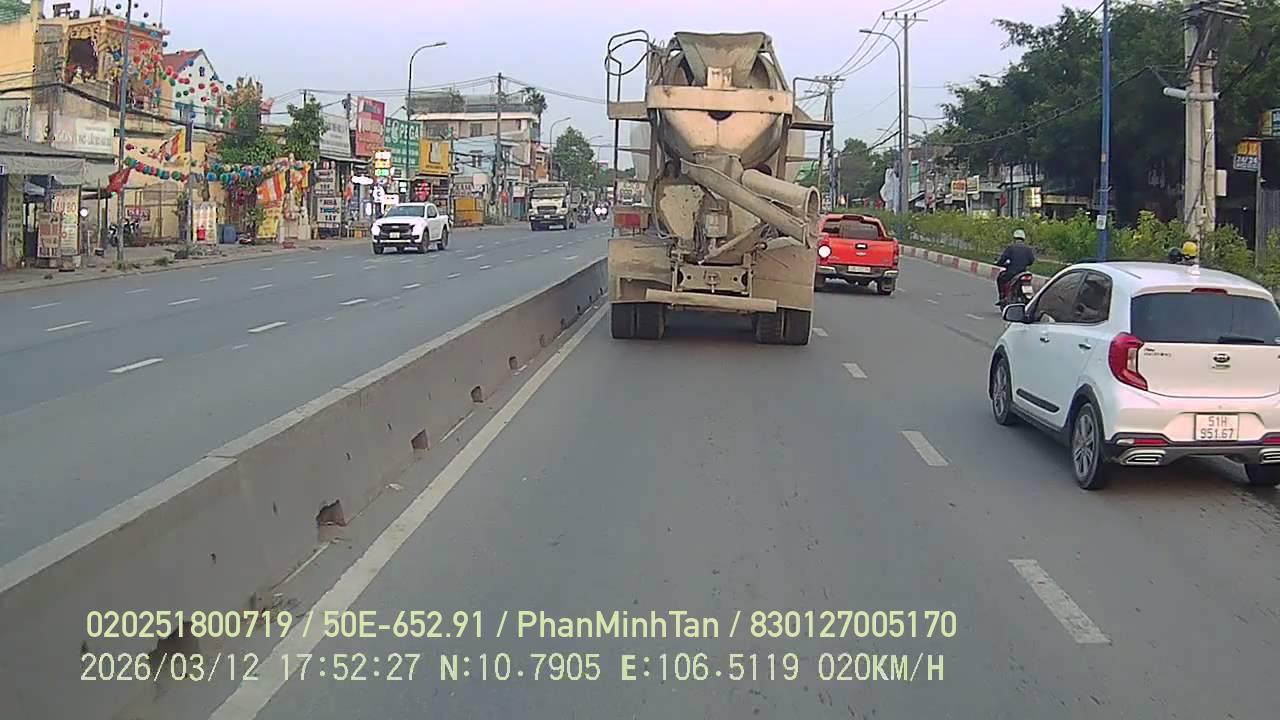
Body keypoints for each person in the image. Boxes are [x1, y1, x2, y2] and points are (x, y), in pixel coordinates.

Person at [995, 229, 1036, 305]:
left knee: (1000, 279)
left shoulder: (1011, 248)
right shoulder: (1028, 249)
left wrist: (999, 263)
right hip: (1023, 273)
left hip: (1012, 273)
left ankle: (1002, 297)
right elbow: (1031, 261)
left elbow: (1003, 259)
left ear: (1014, 238)